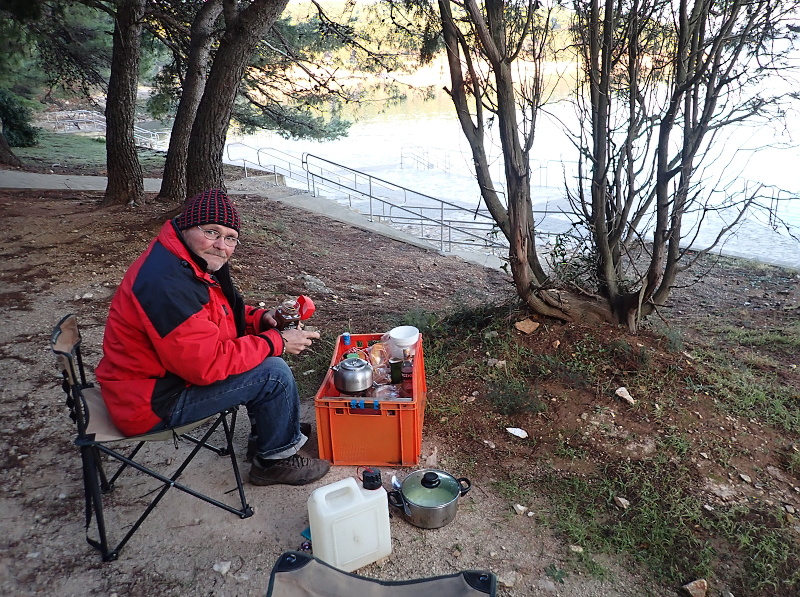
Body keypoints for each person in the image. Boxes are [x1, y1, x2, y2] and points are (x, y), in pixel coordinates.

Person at [95, 189, 330, 486]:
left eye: (230, 237)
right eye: (211, 232)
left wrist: (261, 319)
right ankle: (275, 461)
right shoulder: (166, 284)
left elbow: (216, 316)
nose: (221, 245)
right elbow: (205, 366)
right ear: (186, 227)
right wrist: (277, 341)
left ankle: (272, 435)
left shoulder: (183, 263)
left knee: (263, 359)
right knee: (273, 373)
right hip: (150, 404)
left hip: (153, 385)